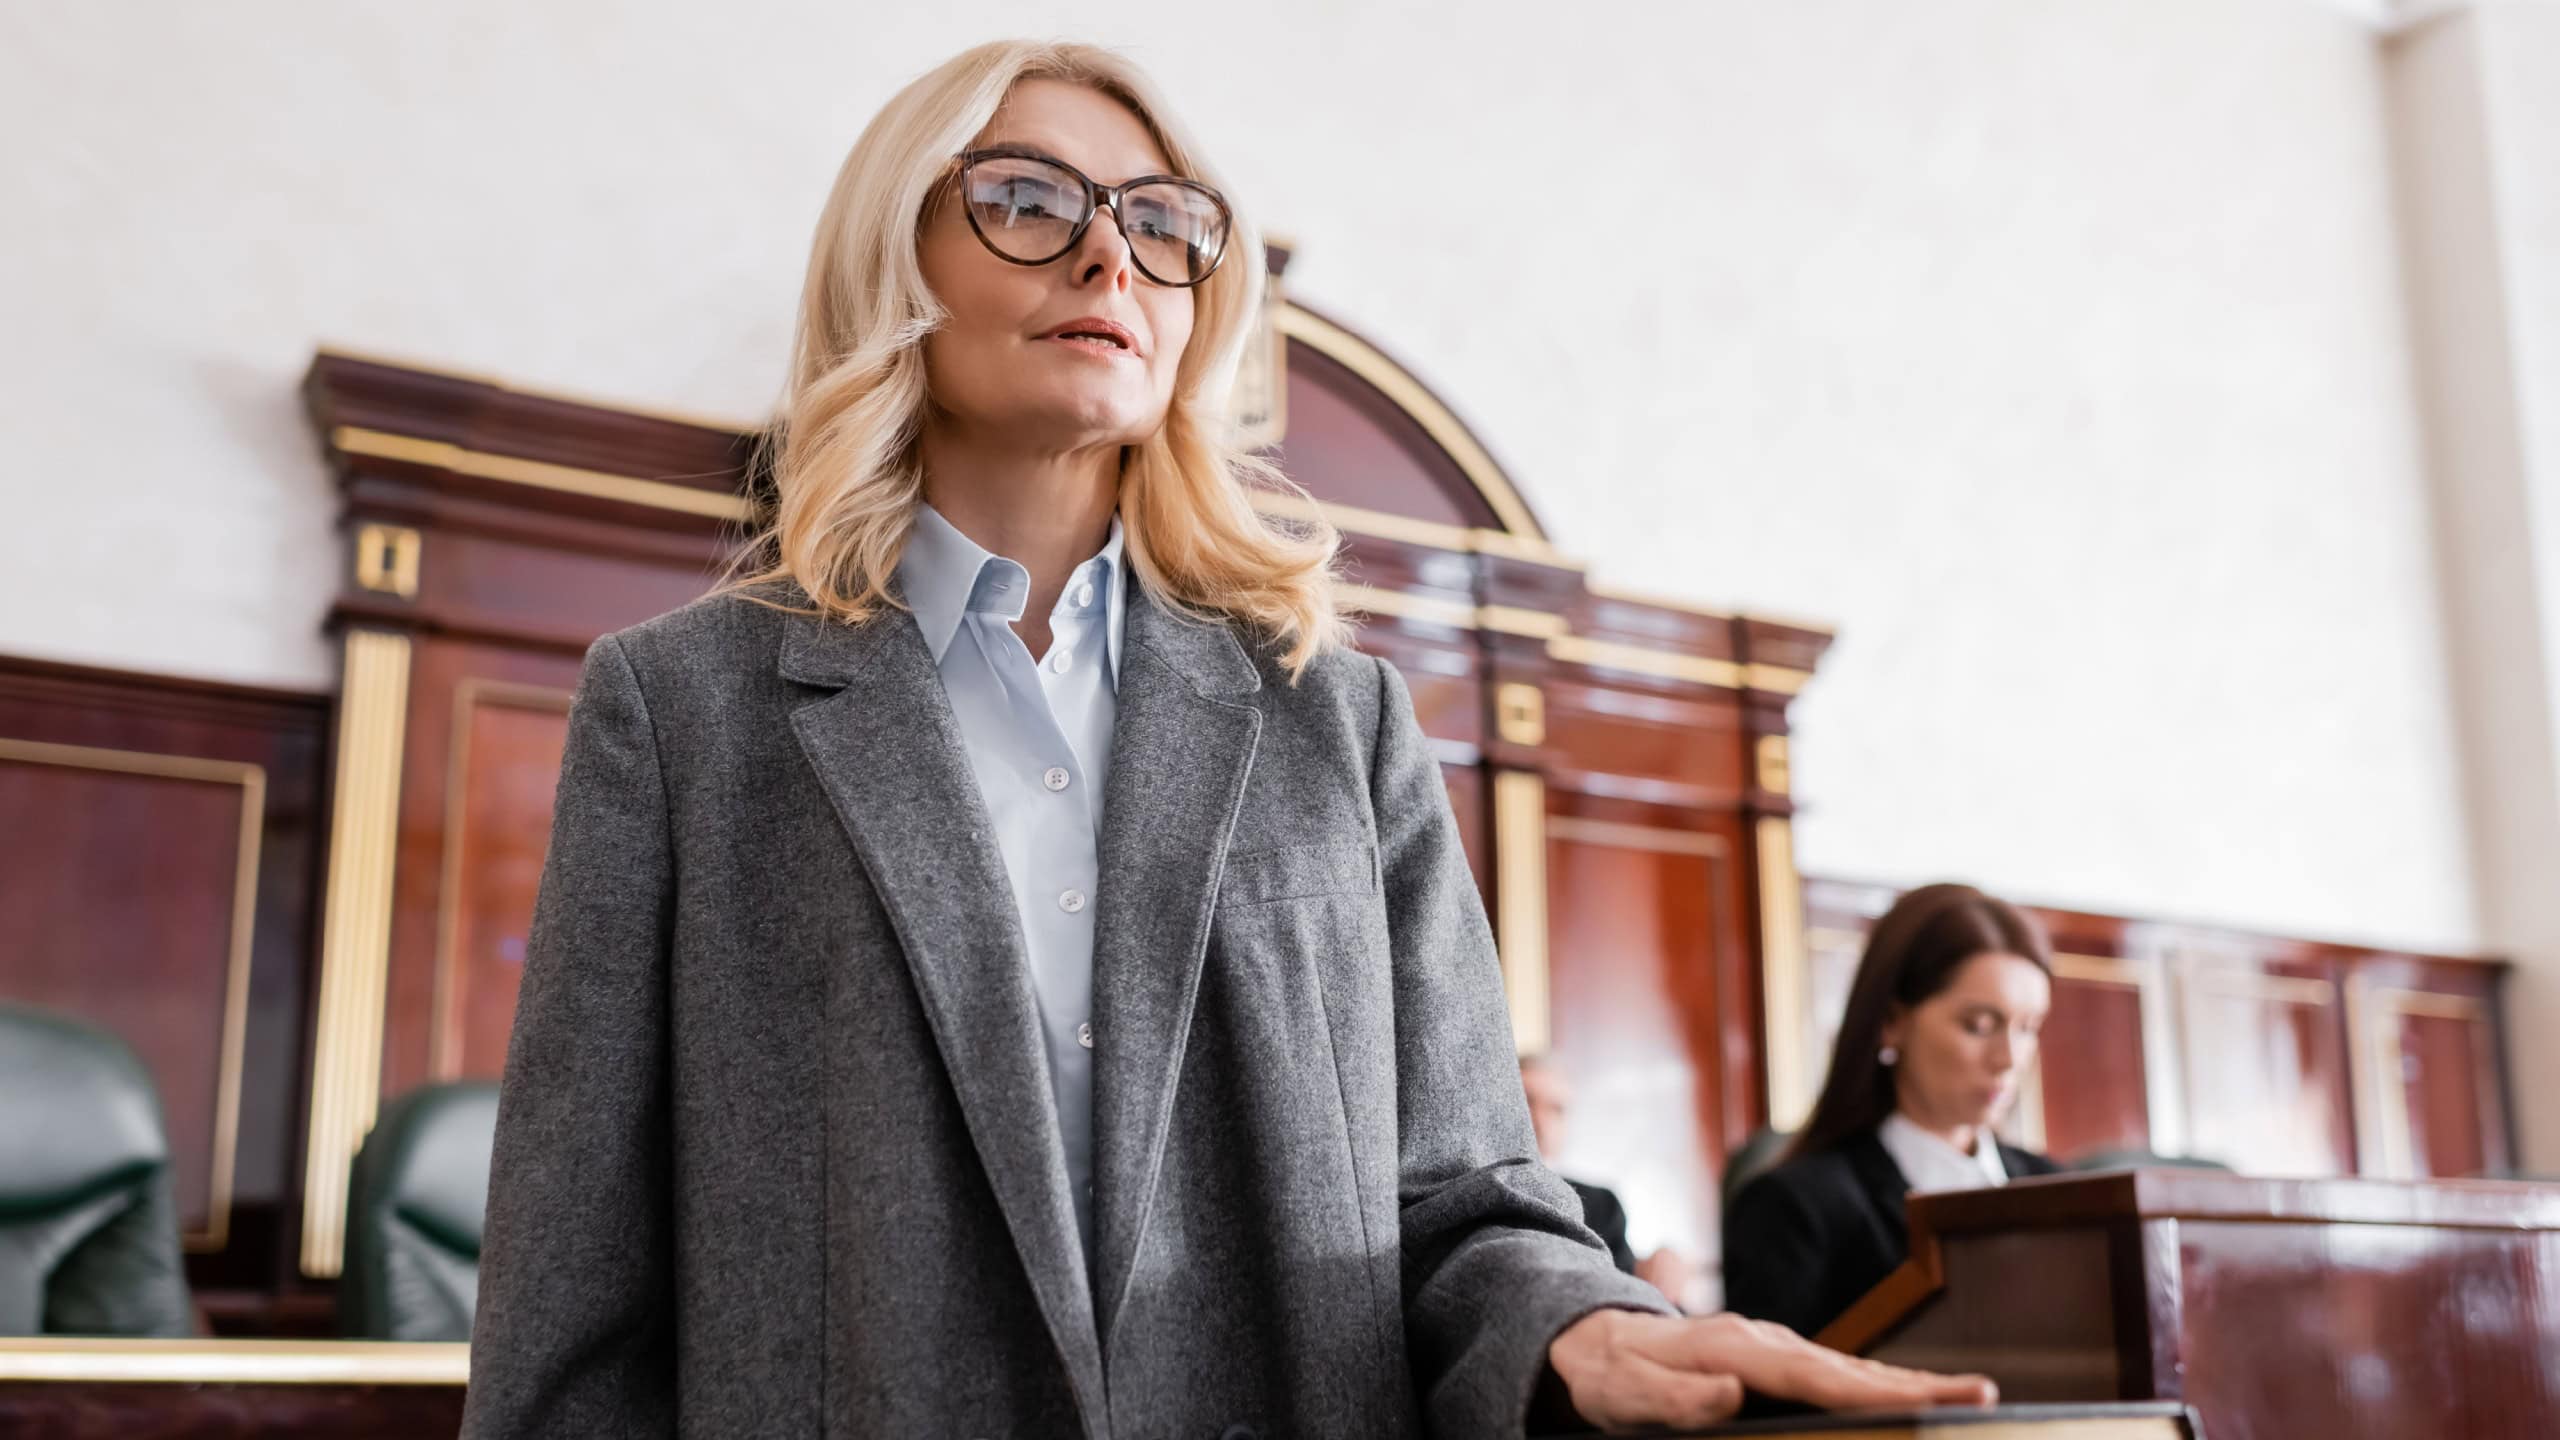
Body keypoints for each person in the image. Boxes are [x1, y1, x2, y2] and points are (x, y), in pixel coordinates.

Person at [459, 39, 1996, 1439]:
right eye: (1025, 199)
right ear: (891, 261)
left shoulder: (1339, 719)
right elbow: (573, 1316)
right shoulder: (681, 713)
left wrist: (1583, 1320)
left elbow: (1466, 1196)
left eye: (1160, 222)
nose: (1107, 251)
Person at [1723, 883, 2062, 1339]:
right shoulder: (1794, 1208)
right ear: (1891, 1023)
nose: (2009, 1059)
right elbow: (1774, 1403)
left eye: (2028, 1028)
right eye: (1979, 1025)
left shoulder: (2061, 1191)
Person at [1519, 1054, 1702, 1309]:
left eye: (1556, 1109)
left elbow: (1629, 1290)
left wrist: (1655, 1272)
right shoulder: (1472, 1194)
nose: (1540, 1121)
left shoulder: (1602, 1204)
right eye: (1527, 1101)